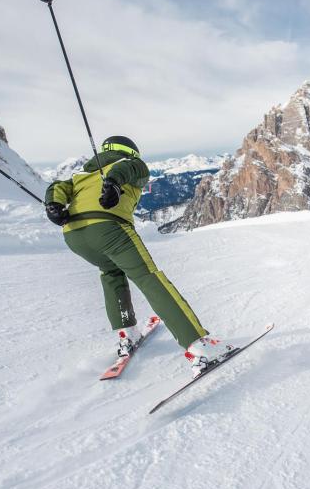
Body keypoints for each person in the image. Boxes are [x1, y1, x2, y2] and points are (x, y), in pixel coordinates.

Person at [44, 135, 231, 377]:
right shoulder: (134, 164)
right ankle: (199, 345)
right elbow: (127, 168)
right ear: (130, 151)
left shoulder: (81, 175)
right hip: (109, 229)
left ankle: (126, 333)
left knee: (111, 273)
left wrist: (53, 205)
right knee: (148, 278)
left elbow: (57, 187)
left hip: (74, 236)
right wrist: (112, 182)